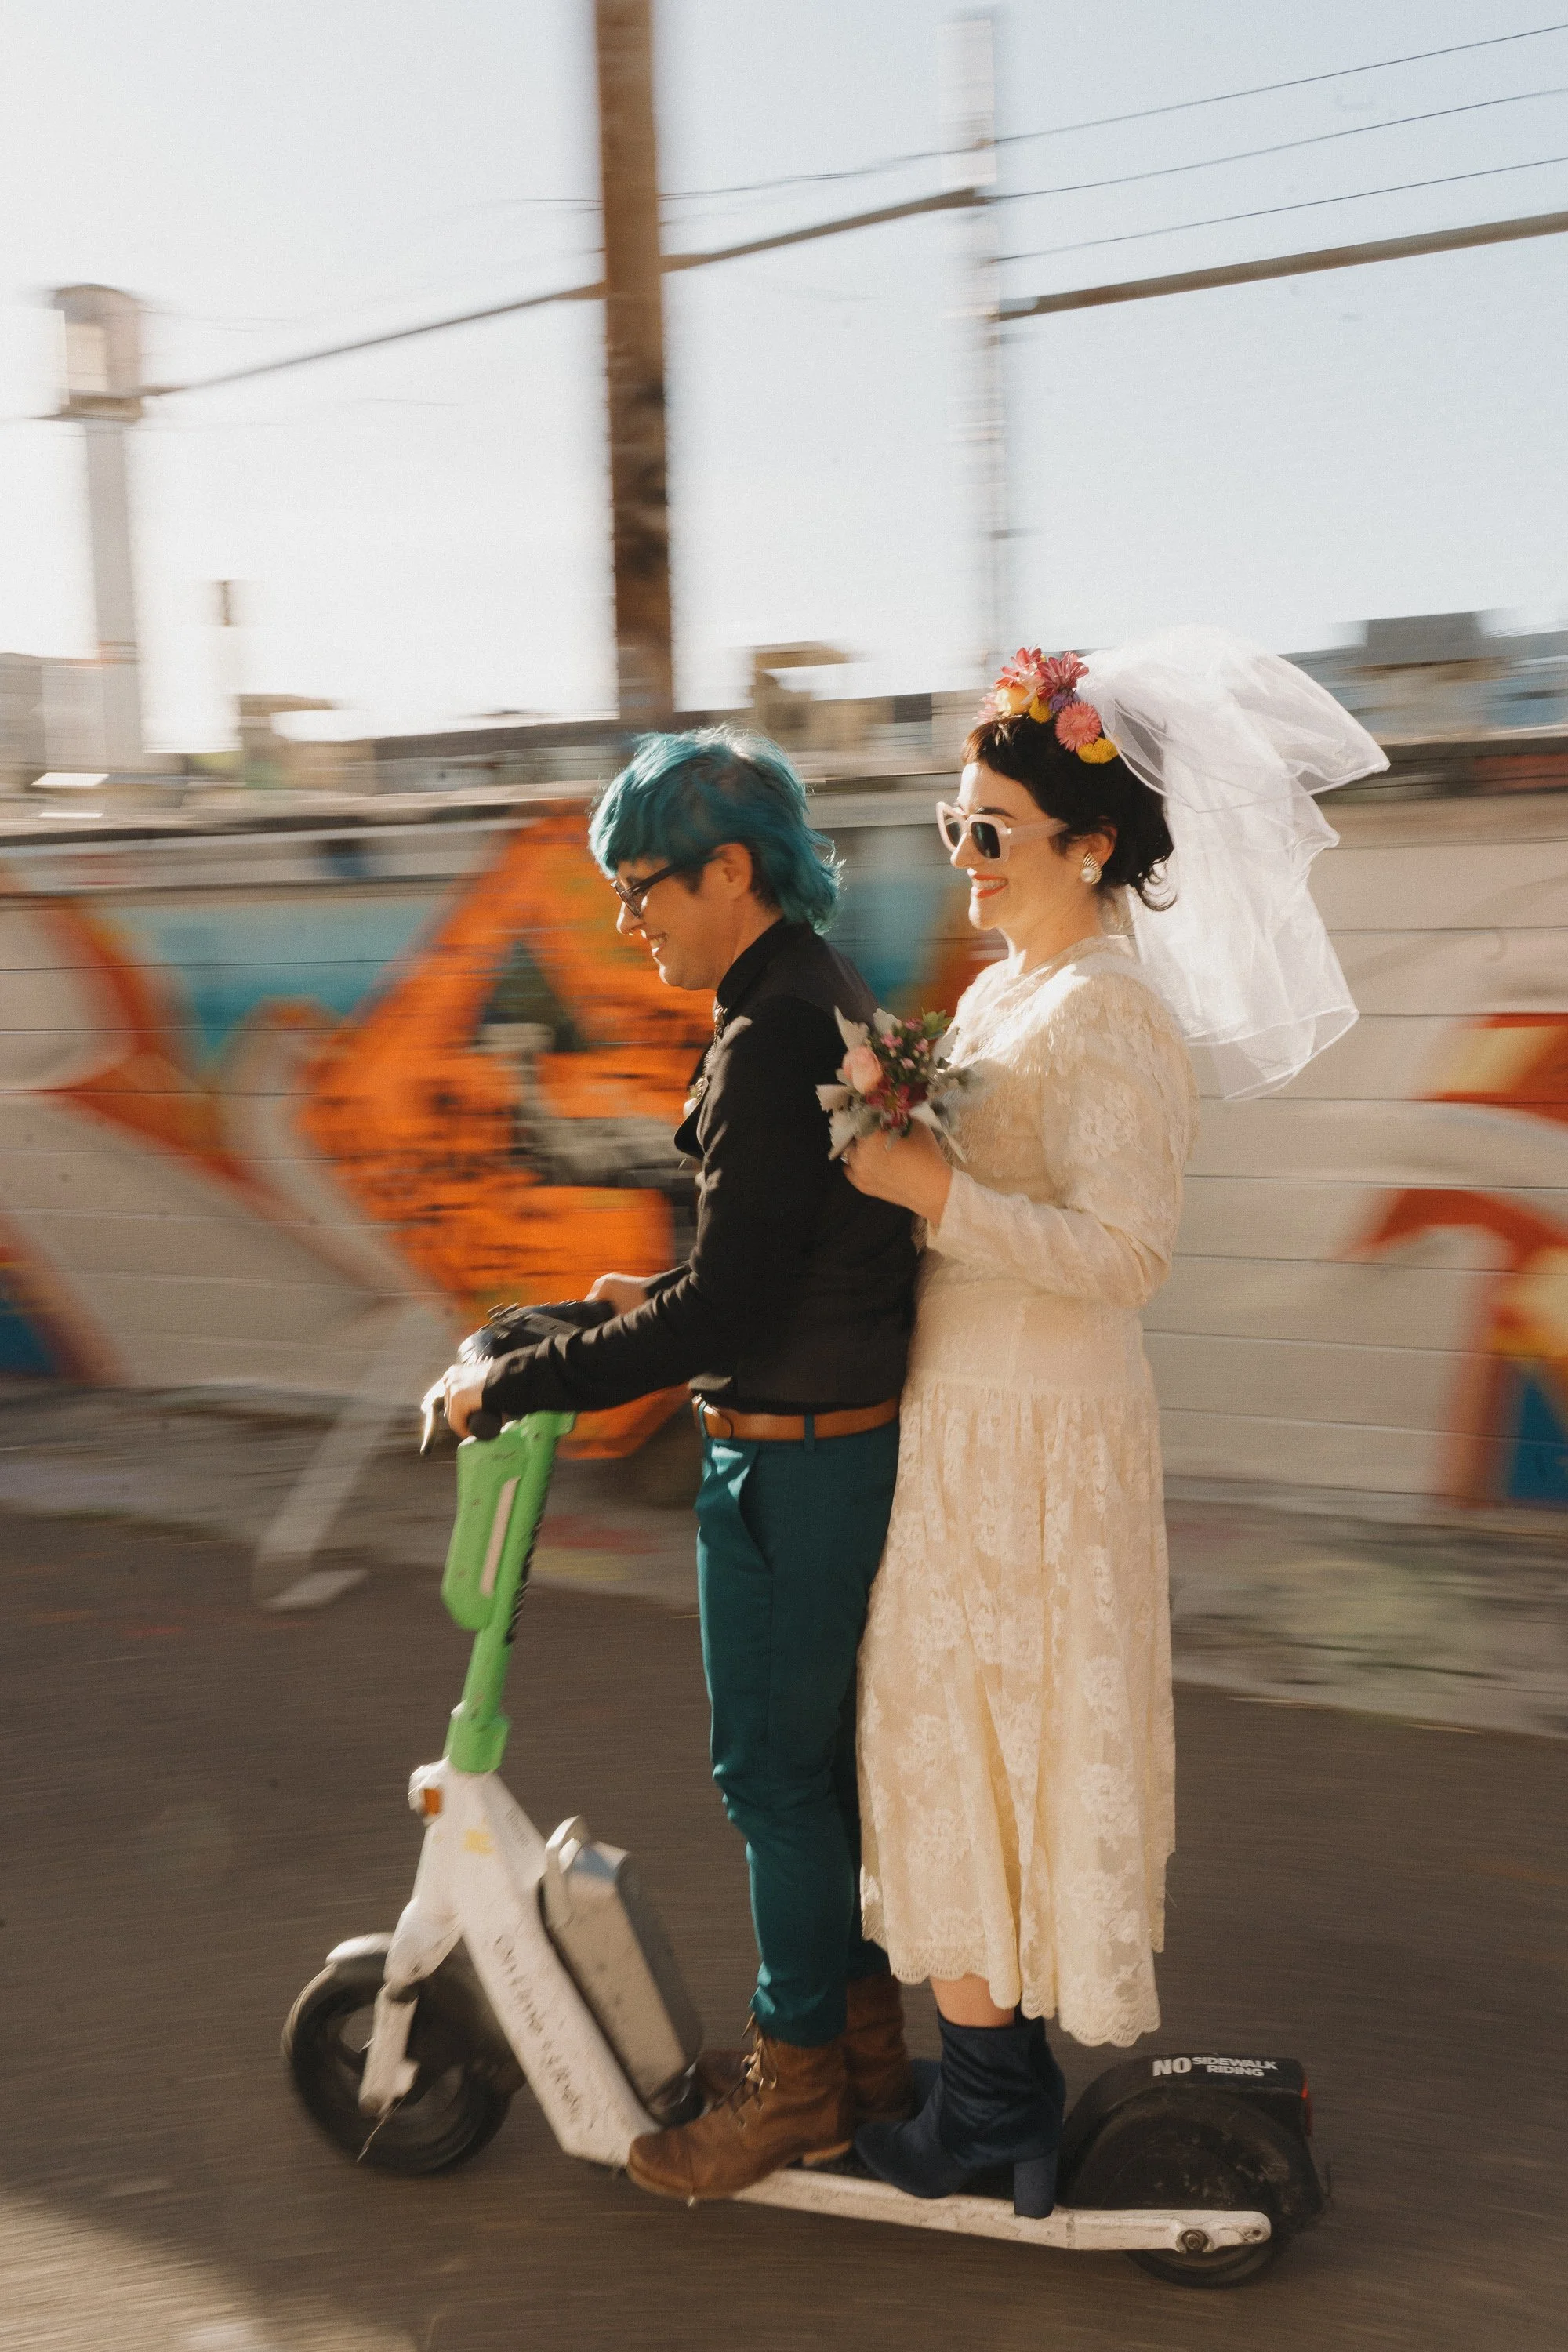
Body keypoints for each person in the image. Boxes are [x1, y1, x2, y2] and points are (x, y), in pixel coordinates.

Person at [841, 636, 1385, 2215]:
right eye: (954, 826)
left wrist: (939, 1189)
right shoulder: (1011, 990)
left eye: (990, 830)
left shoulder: (1113, 1012)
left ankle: (990, 2118)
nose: (966, 858)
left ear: (1091, 846)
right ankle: (992, 2086)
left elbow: (1127, 1255)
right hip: (968, 1423)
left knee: (1007, 1743)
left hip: (1042, 1443)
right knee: (957, 1738)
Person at [436, 727, 919, 2201]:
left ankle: (794, 2095)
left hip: (790, 1465)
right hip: (815, 1442)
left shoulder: (775, 1032)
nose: (625, 918)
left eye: (641, 887)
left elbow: (732, 1309)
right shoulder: (805, 1000)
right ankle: (854, 2050)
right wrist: (614, 1312)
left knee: (772, 1780)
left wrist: (516, 1381)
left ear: (731, 869)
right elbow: (758, 1266)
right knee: (813, 1779)